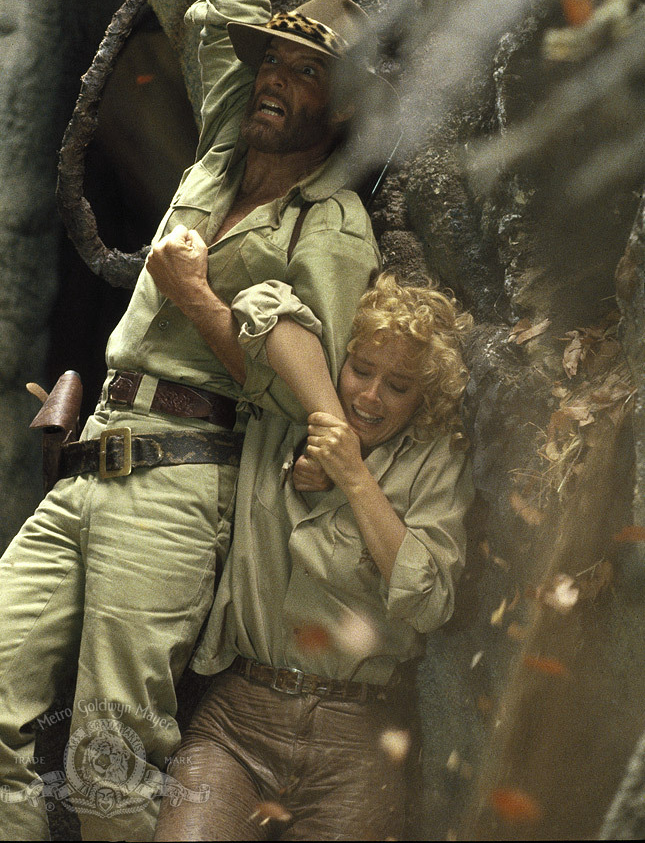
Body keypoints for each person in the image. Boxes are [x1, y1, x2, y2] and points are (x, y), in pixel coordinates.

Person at [0, 0, 395, 840]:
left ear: (337, 114)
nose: (276, 77)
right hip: (90, 461)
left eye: (303, 74)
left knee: (115, 747)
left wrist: (203, 300)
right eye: (276, 59)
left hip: (181, 479)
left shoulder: (330, 232)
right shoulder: (220, 141)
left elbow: (301, 404)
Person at [153, 272, 475, 841]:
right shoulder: (285, 410)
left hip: (360, 733)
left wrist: (353, 476)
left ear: (425, 396)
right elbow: (262, 304)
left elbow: (430, 602)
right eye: (361, 368)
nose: (370, 396)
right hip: (237, 719)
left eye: (399, 386)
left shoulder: (438, 460)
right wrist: (325, 419)